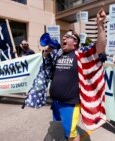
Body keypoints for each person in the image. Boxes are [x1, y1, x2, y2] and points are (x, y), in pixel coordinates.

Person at [42, 9, 106, 141]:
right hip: (56, 102)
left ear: (75, 42)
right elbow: (47, 69)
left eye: (68, 36)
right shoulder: (59, 54)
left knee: (71, 134)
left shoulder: (80, 54)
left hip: (69, 104)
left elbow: (99, 47)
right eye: (63, 36)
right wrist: (47, 53)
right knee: (64, 130)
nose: (63, 37)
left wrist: (100, 25)